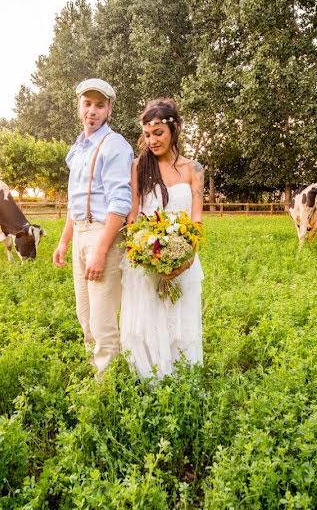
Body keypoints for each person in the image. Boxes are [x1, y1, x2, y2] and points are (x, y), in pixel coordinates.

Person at [52, 78, 134, 377]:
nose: (92, 111)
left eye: (100, 105)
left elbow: (120, 203)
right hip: (80, 235)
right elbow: (75, 202)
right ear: (79, 106)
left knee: (102, 320)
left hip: (104, 235)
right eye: (87, 104)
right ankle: (95, 374)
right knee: (85, 316)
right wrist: (64, 241)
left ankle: (106, 389)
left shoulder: (114, 145)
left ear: (109, 109)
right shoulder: (79, 148)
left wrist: (101, 251)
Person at [120, 98, 204, 380]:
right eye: (147, 135)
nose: (152, 141)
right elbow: (133, 216)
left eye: (158, 133)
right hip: (146, 256)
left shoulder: (194, 169)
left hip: (182, 256)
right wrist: (145, 251)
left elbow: (196, 218)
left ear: (175, 129)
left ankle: (180, 376)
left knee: (180, 317)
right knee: (149, 317)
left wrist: (185, 256)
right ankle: (150, 378)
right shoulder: (138, 167)